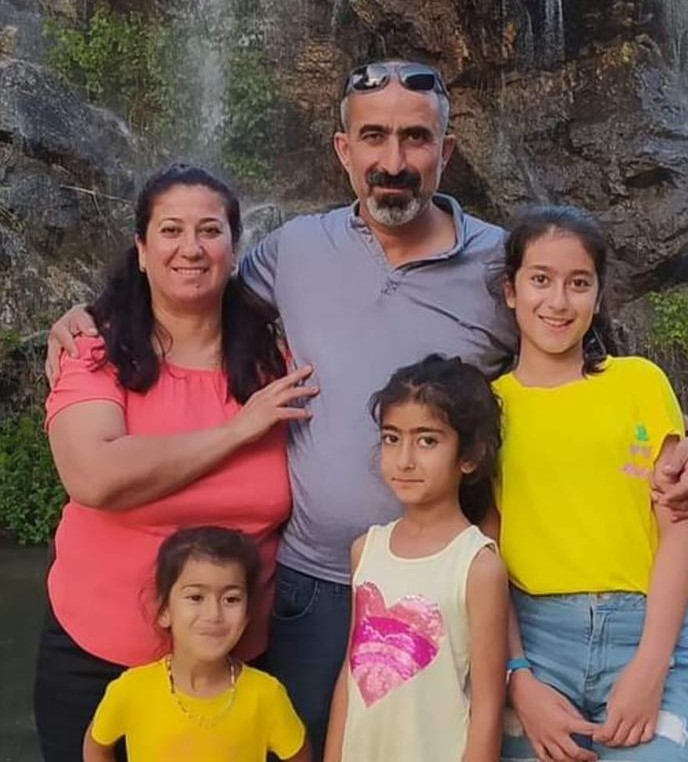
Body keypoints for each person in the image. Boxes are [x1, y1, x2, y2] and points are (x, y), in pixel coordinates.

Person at [44, 60, 688, 756]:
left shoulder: (502, 266)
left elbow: (588, 369)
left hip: (445, 583)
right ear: (344, 149)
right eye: (373, 137)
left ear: (446, 149)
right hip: (310, 587)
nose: (393, 161)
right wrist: (91, 314)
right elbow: (188, 283)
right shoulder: (295, 250)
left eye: (415, 138)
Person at [34, 164, 317, 762]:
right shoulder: (94, 349)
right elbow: (94, 477)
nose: (191, 248)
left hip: (238, 668)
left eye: (210, 230)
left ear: (234, 250)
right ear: (141, 250)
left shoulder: (278, 363)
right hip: (98, 662)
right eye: (170, 230)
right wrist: (236, 431)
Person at [493, 205, 688, 762]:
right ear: (511, 290)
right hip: (535, 644)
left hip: (645, 632)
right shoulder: (489, 407)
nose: (559, 302)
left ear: (599, 295)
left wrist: (651, 667)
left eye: (579, 283)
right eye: (541, 280)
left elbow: (680, 528)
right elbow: (484, 552)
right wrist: (517, 677)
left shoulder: (639, 383)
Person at [323, 355, 508, 762]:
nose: (404, 460)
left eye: (427, 441)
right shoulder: (366, 550)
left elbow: (488, 709)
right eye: (392, 438)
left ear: (470, 455)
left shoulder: (476, 566)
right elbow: (351, 673)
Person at [83, 526, 310, 762]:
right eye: (196, 597)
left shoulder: (266, 695)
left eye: (231, 599)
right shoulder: (131, 690)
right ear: (165, 610)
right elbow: (96, 745)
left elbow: (299, 756)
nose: (214, 614)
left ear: (247, 614)